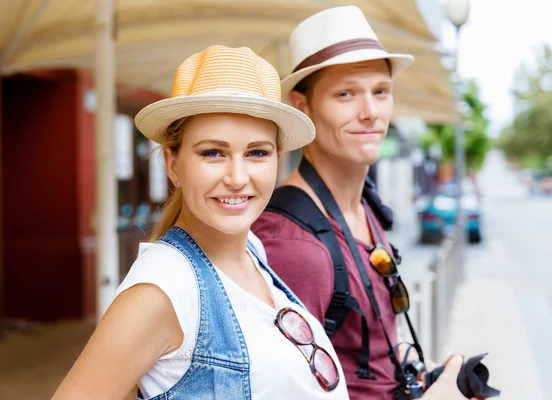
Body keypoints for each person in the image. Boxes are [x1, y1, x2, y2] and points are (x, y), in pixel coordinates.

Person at [51, 45, 350, 400]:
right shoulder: (161, 288)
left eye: (257, 152)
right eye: (213, 152)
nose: (238, 177)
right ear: (173, 165)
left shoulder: (252, 251)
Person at [252, 6, 479, 400]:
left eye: (381, 91)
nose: (371, 112)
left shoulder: (365, 207)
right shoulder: (291, 244)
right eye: (346, 94)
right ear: (302, 107)